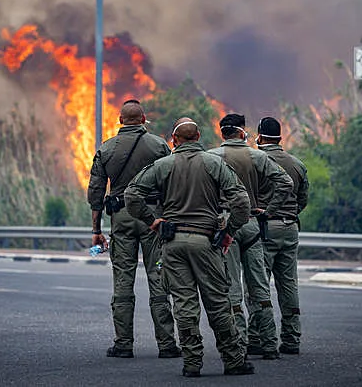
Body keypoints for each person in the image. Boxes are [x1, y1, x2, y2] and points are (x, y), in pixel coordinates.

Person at [125, 117, 255, 377]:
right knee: (218, 302)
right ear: (198, 138)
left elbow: (131, 195)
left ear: (174, 141)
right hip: (205, 242)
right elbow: (241, 201)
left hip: (172, 244)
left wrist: (154, 222)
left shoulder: (163, 165)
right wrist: (228, 231)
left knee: (184, 305)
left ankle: (192, 363)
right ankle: (232, 360)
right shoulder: (214, 163)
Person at [86, 100, 180, 359]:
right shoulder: (159, 146)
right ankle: (167, 344)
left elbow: (95, 193)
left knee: (123, 282)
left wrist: (96, 230)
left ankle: (123, 344)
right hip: (153, 219)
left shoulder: (106, 149)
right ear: (143, 119)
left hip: (121, 218)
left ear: (120, 120)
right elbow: (172, 183)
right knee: (159, 277)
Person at [207, 113, 293, 360]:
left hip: (227, 226)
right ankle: (269, 344)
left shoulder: (212, 157)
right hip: (253, 224)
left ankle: (240, 344)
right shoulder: (258, 156)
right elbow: (285, 183)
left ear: (222, 132)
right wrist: (270, 210)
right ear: (242, 132)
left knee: (232, 286)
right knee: (259, 286)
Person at [248, 117, 309, 356]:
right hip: (291, 227)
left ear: (260, 137)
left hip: (265, 227)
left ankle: (257, 338)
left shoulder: (256, 161)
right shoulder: (297, 163)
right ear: (280, 138)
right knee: (288, 283)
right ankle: (292, 339)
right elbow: (302, 198)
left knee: (258, 284)